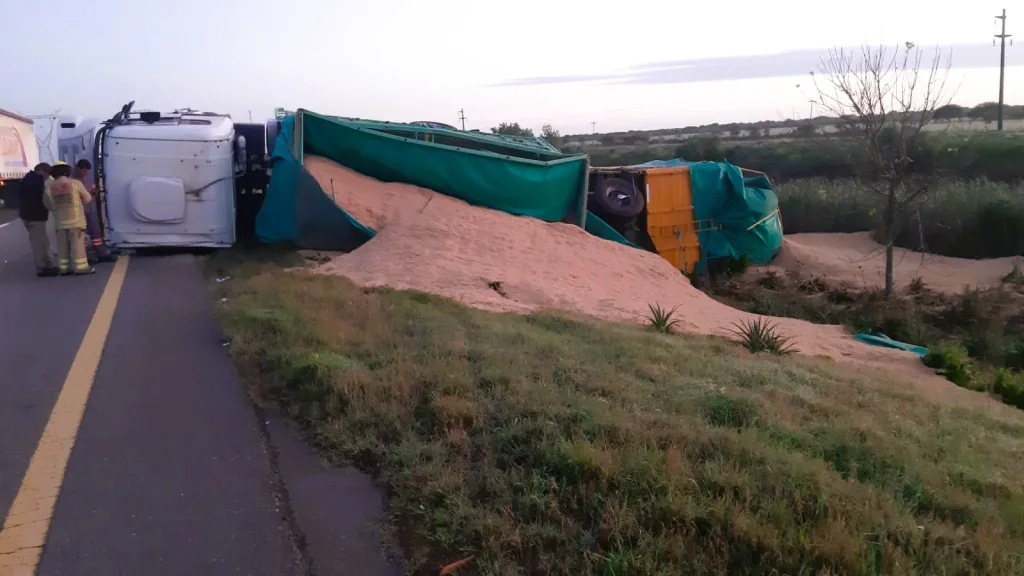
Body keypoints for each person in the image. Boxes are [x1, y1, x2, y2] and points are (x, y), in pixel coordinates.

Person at [44, 162, 95, 275]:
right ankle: (81, 268)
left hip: (60, 222)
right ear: (68, 171)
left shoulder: (49, 187)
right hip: (76, 221)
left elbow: (49, 205)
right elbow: (87, 199)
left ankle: (64, 269)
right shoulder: (75, 184)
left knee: (62, 246)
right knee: (78, 246)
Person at [17, 163, 59, 277]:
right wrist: (52, 208)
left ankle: (45, 265)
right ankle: (43, 267)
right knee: (40, 243)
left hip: (26, 215)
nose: (47, 177)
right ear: (41, 171)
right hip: (35, 216)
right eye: (47, 174)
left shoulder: (26, 179)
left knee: (40, 242)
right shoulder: (38, 181)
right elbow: (45, 198)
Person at [72, 159, 112, 263]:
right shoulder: (73, 182)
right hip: (79, 212)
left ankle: (101, 253)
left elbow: (91, 195)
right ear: (78, 169)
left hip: (89, 210)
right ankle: (85, 256)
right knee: (82, 236)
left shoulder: (87, 180)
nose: (85, 172)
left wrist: (94, 192)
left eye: (86, 171)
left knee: (96, 233)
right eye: (83, 170)